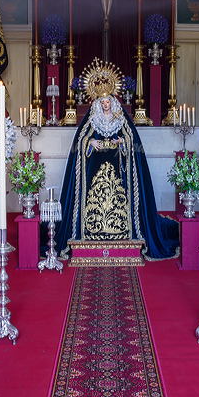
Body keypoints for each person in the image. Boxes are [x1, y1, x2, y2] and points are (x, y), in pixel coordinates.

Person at [46, 59, 179, 261]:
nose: (106, 105)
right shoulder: (92, 120)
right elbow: (81, 143)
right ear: (98, 104)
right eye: (103, 103)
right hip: (93, 172)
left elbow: (131, 141)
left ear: (112, 102)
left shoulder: (120, 119)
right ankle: (89, 232)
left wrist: (121, 141)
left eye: (108, 102)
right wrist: (90, 143)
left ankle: (124, 232)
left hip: (118, 170)